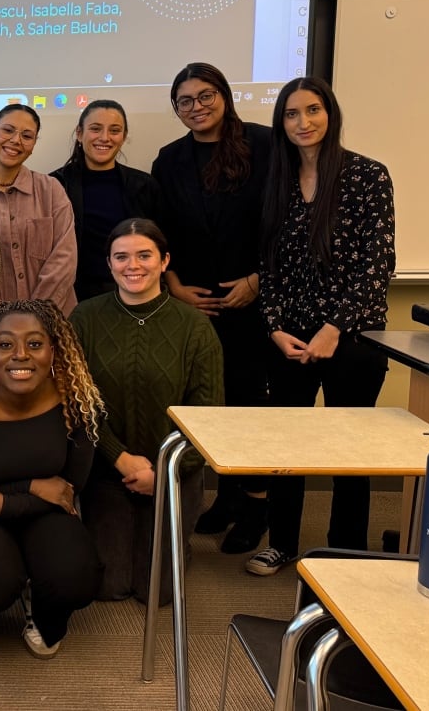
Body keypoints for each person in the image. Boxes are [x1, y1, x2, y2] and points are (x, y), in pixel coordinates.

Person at [249, 77, 395, 577]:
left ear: (329, 114)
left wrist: (334, 328)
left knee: (348, 452)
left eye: (312, 111)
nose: (303, 122)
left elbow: (378, 265)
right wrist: (272, 327)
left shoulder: (367, 176)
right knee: (287, 448)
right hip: (289, 338)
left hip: (352, 339)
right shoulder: (278, 182)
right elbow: (267, 266)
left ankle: (346, 550)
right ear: (281, 123)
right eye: (291, 114)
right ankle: (281, 541)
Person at [0, 300, 103, 664]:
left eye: (35, 344)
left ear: (53, 350)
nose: (21, 355)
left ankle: (44, 615)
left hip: (41, 512)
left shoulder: (76, 400)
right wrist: (31, 487)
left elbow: (69, 490)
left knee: (77, 575)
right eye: (7, 344)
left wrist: (6, 500)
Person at [151, 64, 273, 554]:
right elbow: (162, 230)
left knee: (250, 404)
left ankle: (256, 506)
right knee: (210, 404)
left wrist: (258, 280)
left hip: (253, 299)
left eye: (206, 96)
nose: (196, 107)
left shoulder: (264, 146)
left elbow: (285, 220)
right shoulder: (169, 159)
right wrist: (174, 284)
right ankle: (225, 498)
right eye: (185, 100)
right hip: (193, 304)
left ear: (224, 95)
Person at [69, 219, 223, 605]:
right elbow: (76, 401)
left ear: (164, 261)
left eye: (144, 255)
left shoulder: (195, 327)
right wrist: (119, 459)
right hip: (108, 470)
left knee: (157, 593)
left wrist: (164, 471)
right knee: (109, 586)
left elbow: (208, 415)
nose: (132, 265)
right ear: (108, 263)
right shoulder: (85, 319)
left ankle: (178, 544)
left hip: (174, 470)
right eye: (121, 257)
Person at [0, 104, 77, 316]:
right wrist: (2, 320)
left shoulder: (51, 190)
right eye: (7, 130)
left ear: (33, 144)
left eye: (27, 136)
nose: (16, 140)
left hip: (54, 321)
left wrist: (37, 316)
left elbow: (64, 259)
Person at [52, 99, 161, 302]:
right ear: (79, 133)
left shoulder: (144, 185)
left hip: (134, 290)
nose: (105, 138)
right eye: (95, 129)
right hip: (74, 296)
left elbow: (160, 243)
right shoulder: (55, 185)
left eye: (114, 130)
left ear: (123, 136)